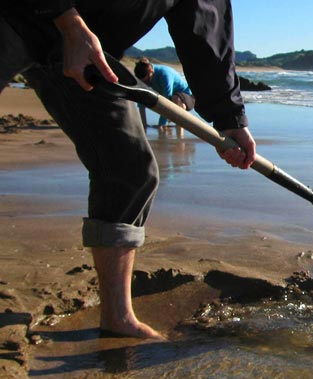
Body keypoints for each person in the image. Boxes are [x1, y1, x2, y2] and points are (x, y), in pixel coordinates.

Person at [0, 0, 256, 339]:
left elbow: (204, 26)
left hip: (92, 54)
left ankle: (118, 317)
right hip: (15, 15)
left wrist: (229, 117)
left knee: (131, 170)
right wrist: (69, 21)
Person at [134, 57, 195, 138]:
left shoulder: (164, 74)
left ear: (151, 71)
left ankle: (180, 135)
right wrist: (143, 124)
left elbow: (167, 101)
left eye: (147, 80)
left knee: (175, 99)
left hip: (187, 98)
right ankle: (170, 120)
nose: (146, 83)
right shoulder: (144, 78)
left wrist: (161, 124)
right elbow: (141, 100)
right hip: (170, 99)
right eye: (143, 81)